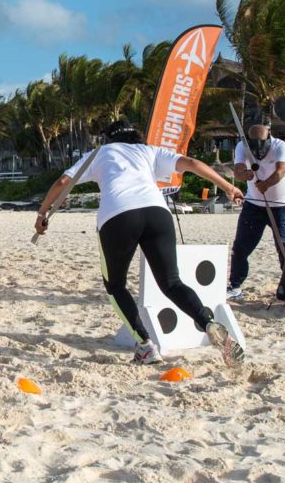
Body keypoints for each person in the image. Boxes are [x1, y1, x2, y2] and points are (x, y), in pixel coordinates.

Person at [34, 119, 246, 367]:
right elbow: (192, 164)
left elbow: (63, 182)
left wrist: (42, 214)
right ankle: (208, 322)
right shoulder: (150, 151)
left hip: (118, 216)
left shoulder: (99, 153)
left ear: (108, 138)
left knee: (115, 285)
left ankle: (145, 345)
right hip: (157, 213)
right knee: (171, 282)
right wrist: (229, 187)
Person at [227, 124, 285, 300]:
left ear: (268, 136)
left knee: (283, 246)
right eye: (253, 144)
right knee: (241, 247)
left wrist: (266, 183)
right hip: (254, 204)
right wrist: (245, 174)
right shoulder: (242, 146)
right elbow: (238, 171)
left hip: (280, 205)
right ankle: (235, 286)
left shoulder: (280, 146)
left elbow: (280, 171)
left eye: (260, 144)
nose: (257, 149)